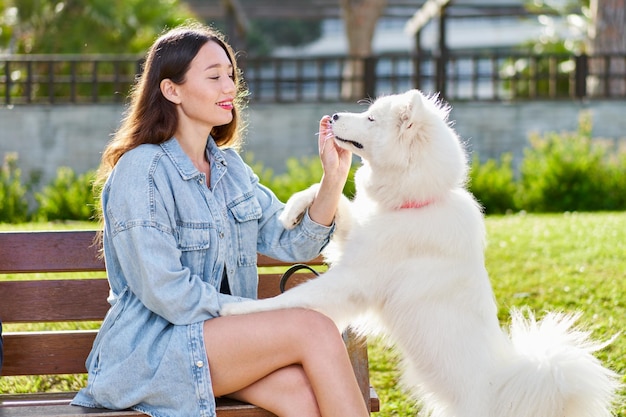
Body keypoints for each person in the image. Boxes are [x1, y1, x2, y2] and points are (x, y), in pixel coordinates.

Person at [71, 22, 369, 417]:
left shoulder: (231, 169)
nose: (229, 87)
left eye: (231, 75)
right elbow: (165, 292)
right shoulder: (140, 172)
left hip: (217, 347)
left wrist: (333, 179)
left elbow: (292, 242)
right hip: (152, 354)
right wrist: (252, 315)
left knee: (302, 397)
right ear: (171, 89)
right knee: (312, 328)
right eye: (214, 76)